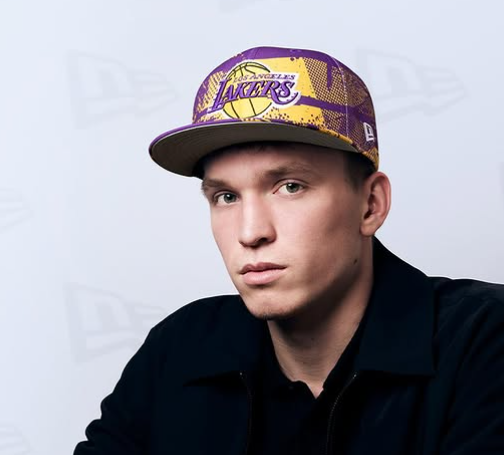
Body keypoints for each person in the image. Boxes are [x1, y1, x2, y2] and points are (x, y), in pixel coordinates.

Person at [73, 46, 504, 455]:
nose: (250, 232)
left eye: (290, 187)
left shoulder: (482, 340)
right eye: (226, 196)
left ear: (370, 205)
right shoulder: (180, 348)